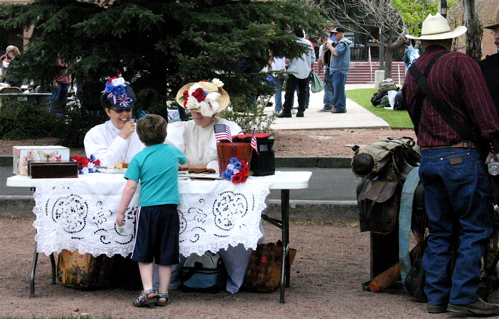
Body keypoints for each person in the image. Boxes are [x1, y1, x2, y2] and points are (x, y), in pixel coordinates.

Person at [402, 13, 499, 316]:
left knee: (440, 231)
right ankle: (464, 296)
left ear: (423, 42)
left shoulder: (414, 69)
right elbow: (482, 109)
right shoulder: (461, 63)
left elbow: (412, 112)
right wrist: (495, 145)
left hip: (429, 158)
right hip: (460, 157)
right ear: (451, 39)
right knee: (474, 227)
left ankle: (436, 297)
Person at [167, 78, 259, 294]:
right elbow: (173, 159)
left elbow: (226, 164)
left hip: (219, 192)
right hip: (186, 192)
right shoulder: (180, 129)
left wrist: (195, 166)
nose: (196, 115)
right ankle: (173, 276)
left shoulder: (228, 128)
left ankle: (232, 275)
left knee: (232, 222)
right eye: (193, 110)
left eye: (201, 110)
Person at [116, 114, 187, 307]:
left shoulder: (138, 158)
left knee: (144, 251)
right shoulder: (172, 152)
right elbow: (185, 161)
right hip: (169, 209)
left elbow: (130, 186)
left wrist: (121, 211)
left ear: (140, 136)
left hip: (147, 209)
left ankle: (148, 289)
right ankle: (164, 292)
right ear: (165, 134)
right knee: (166, 253)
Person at [84, 77, 144, 167]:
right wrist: (122, 136)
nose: (125, 114)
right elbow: (104, 164)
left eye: (128, 110)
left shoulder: (142, 131)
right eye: (119, 110)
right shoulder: (95, 133)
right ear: (108, 111)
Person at [278, 27, 315, 118]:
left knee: (290, 91)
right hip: (306, 70)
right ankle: (301, 111)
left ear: (294, 34)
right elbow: (313, 58)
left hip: (293, 70)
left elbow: (288, 58)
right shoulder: (308, 44)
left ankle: (287, 111)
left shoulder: (292, 44)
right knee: (303, 91)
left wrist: (287, 65)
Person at [327, 27, 352, 114]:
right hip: (337, 69)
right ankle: (338, 106)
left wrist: (330, 46)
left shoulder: (342, 43)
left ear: (341, 34)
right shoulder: (339, 43)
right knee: (337, 88)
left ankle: (340, 107)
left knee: (339, 89)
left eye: (335, 34)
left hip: (339, 69)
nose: (334, 36)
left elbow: (337, 52)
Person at [317, 31, 335, 112]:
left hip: (328, 68)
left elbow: (320, 59)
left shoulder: (323, 46)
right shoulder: (335, 43)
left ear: (322, 38)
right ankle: (335, 103)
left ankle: (328, 105)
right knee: (335, 86)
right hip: (336, 68)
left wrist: (319, 68)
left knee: (328, 86)